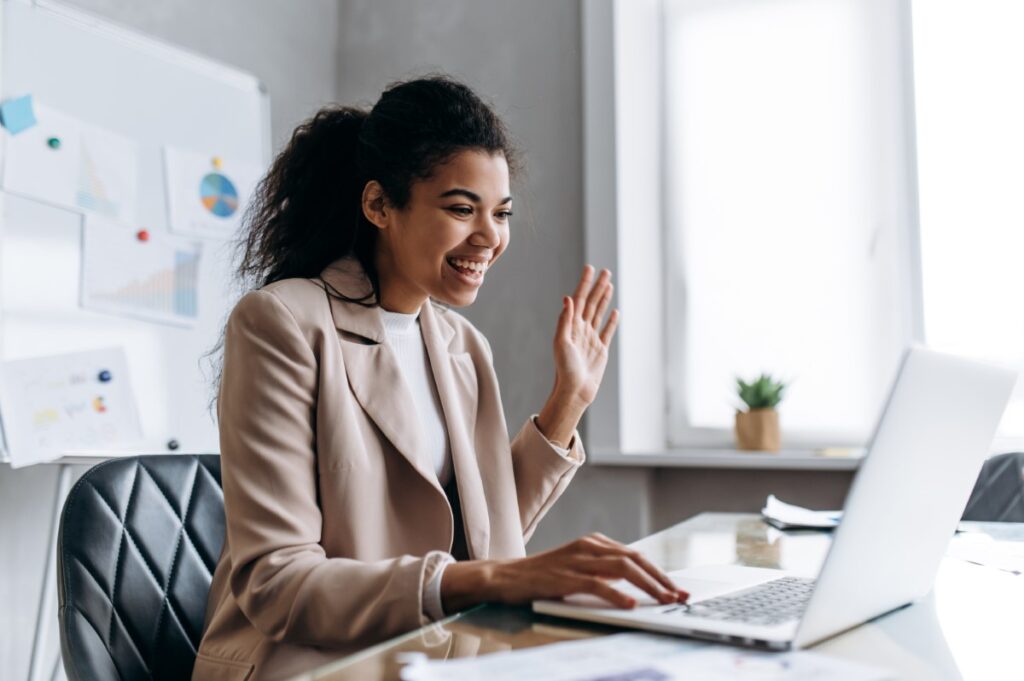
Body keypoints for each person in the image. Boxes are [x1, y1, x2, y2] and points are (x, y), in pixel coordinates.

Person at [194, 76, 686, 680]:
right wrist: (499, 578)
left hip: (432, 655)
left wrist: (568, 402)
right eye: (461, 209)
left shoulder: (460, 345)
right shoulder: (282, 321)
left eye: (500, 213)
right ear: (379, 206)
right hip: (310, 665)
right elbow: (277, 584)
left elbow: (485, 534)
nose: (489, 237)